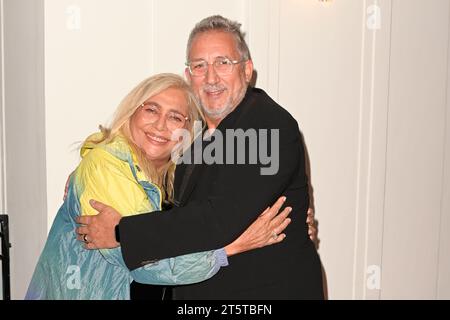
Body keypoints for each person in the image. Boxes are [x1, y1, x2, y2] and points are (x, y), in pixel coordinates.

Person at [77, 15, 324, 299]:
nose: (211, 77)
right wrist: (89, 168)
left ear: (247, 70)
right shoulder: (194, 132)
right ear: (188, 76)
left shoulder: (266, 124)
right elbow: (161, 190)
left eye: (223, 63)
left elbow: (217, 219)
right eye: (199, 66)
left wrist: (122, 233)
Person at [25, 73, 292, 300]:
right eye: (151, 109)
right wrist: (231, 249)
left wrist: (295, 220)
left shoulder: (169, 181)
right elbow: (150, 263)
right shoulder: (107, 166)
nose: (160, 125)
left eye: (176, 117)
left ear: (189, 132)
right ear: (132, 112)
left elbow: (206, 220)